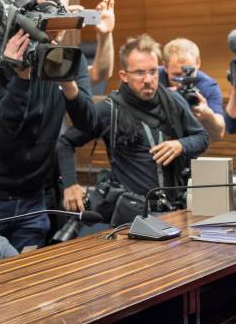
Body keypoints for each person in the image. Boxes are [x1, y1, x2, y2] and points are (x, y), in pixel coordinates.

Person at [0, 0, 97, 253]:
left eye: (62, 10)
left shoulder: (71, 58)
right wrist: (21, 76)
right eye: (46, 9)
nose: (55, 19)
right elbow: (2, 131)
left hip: (34, 195)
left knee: (27, 278)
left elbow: (88, 123)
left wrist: (66, 78)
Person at [57, 34, 209, 213]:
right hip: (130, 215)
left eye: (152, 71)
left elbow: (202, 137)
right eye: (139, 72)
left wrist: (181, 144)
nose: (148, 79)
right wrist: (70, 184)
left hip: (175, 210)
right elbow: (65, 143)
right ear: (124, 76)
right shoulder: (109, 109)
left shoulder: (173, 100)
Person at [23, 0, 115, 86]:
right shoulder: (13, 56)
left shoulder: (60, 58)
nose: (57, 21)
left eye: (62, 12)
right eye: (48, 11)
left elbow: (99, 74)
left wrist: (105, 35)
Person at [159, 38, 225, 141]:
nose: (182, 82)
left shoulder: (207, 86)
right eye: (177, 75)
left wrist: (207, 115)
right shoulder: (153, 78)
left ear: (198, 63)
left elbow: (218, 134)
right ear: (165, 67)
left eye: (188, 75)